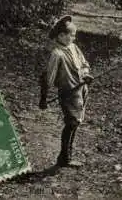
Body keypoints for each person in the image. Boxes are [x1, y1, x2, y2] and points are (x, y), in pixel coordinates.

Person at [39, 15, 94, 168]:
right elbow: (48, 79)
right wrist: (43, 98)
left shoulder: (74, 48)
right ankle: (64, 158)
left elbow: (84, 64)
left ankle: (66, 155)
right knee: (71, 123)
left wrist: (86, 75)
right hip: (68, 93)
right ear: (61, 36)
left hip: (81, 90)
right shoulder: (57, 54)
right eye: (71, 35)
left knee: (75, 123)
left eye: (74, 35)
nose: (73, 38)